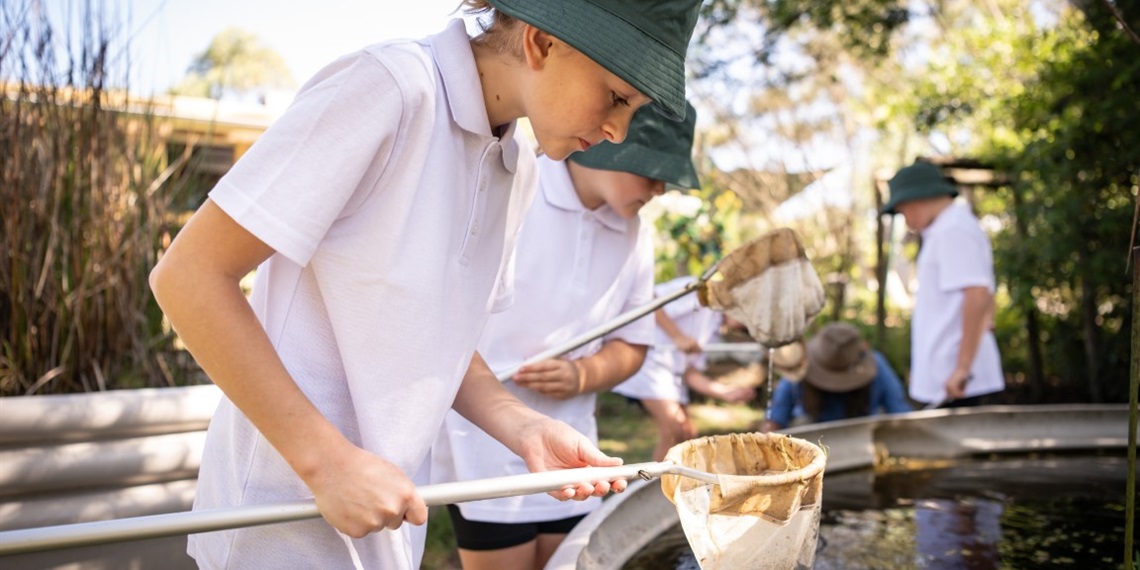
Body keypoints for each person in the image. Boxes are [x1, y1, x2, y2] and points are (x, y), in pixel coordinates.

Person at [147, 1, 703, 567]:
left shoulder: (520, 168)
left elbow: (446, 341)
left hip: (390, 516)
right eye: (616, 96)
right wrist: (326, 462)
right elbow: (190, 276)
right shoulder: (388, 88)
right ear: (540, 43)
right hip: (281, 516)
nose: (619, 129)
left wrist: (526, 427)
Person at [432, 98, 702, 570]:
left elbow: (633, 342)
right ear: (609, 145)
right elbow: (446, 315)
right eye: (650, 171)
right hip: (483, 439)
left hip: (575, 444)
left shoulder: (636, 234)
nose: (660, 188)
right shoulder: (516, 190)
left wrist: (583, 374)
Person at [882, 160, 1005, 408]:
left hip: (958, 379)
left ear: (917, 200)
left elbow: (978, 294)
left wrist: (962, 368)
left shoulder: (954, 230)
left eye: (904, 212)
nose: (906, 221)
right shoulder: (945, 229)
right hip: (947, 373)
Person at [611, 277, 757, 461]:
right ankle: (655, 485)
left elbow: (690, 373)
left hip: (670, 374)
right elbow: (651, 300)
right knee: (673, 429)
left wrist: (725, 392)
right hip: (648, 362)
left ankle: (676, 484)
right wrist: (677, 336)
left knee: (687, 434)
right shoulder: (701, 289)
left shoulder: (714, 330)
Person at [762, 322, 912, 431]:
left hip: (864, 443)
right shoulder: (801, 367)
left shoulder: (877, 366)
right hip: (809, 446)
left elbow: (902, 416)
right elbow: (775, 419)